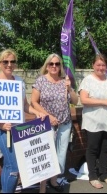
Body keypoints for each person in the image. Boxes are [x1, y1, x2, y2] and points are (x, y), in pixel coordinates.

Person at [0, 49, 45, 193]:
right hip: (2, 131)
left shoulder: (19, 81)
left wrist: (37, 112)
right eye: (5, 61)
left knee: (10, 165)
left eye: (12, 61)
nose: (9, 64)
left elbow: (25, 106)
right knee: (14, 166)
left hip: (18, 130)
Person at [31, 53, 78, 193]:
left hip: (64, 123)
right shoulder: (41, 81)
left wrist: (69, 88)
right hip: (47, 123)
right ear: (47, 65)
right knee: (46, 155)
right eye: (51, 64)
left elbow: (75, 101)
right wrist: (48, 116)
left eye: (57, 64)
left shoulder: (65, 81)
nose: (54, 66)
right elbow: (34, 102)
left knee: (61, 153)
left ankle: (54, 180)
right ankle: (42, 187)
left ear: (60, 66)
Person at [78, 54, 107, 189]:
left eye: (103, 65)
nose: (101, 67)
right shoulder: (88, 80)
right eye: (98, 65)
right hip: (93, 121)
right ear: (93, 65)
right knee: (93, 148)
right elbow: (84, 100)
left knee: (105, 148)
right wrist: (105, 102)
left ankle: (104, 174)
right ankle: (93, 176)